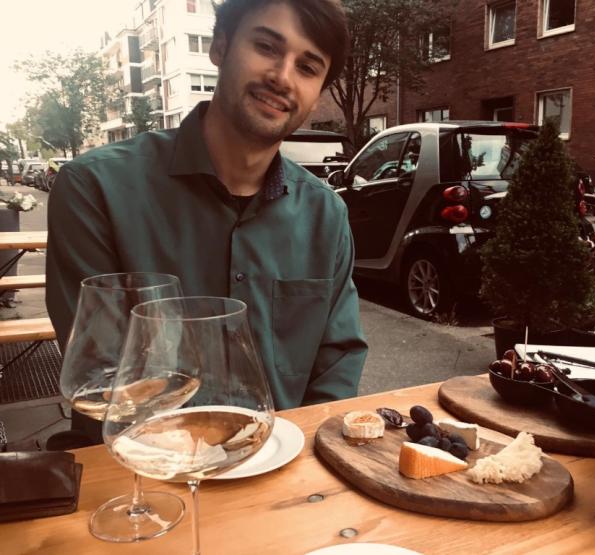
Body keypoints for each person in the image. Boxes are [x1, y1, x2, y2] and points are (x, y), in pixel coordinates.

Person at [46, 0, 368, 440]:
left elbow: (337, 364)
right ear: (219, 47)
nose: (282, 77)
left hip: (282, 463)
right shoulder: (95, 188)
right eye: (266, 47)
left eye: (307, 68)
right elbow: (103, 375)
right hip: (137, 465)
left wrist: (308, 458)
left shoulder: (325, 215)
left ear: (316, 97)